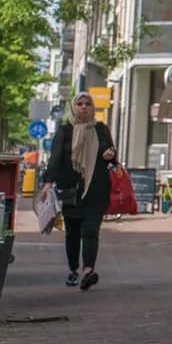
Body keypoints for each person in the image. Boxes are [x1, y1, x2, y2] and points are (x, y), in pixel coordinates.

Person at [40, 93, 117, 290]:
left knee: (91, 231)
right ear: (73, 108)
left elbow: (112, 157)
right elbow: (56, 158)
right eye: (80, 104)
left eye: (88, 104)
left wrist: (110, 155)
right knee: (72, 232)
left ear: (93, 107)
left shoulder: (101, 129)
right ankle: (73, 270)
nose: (84, 107)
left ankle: (88, 271)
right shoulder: (65, 131)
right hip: (70, 190)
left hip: (96, 189)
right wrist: (48, 182)